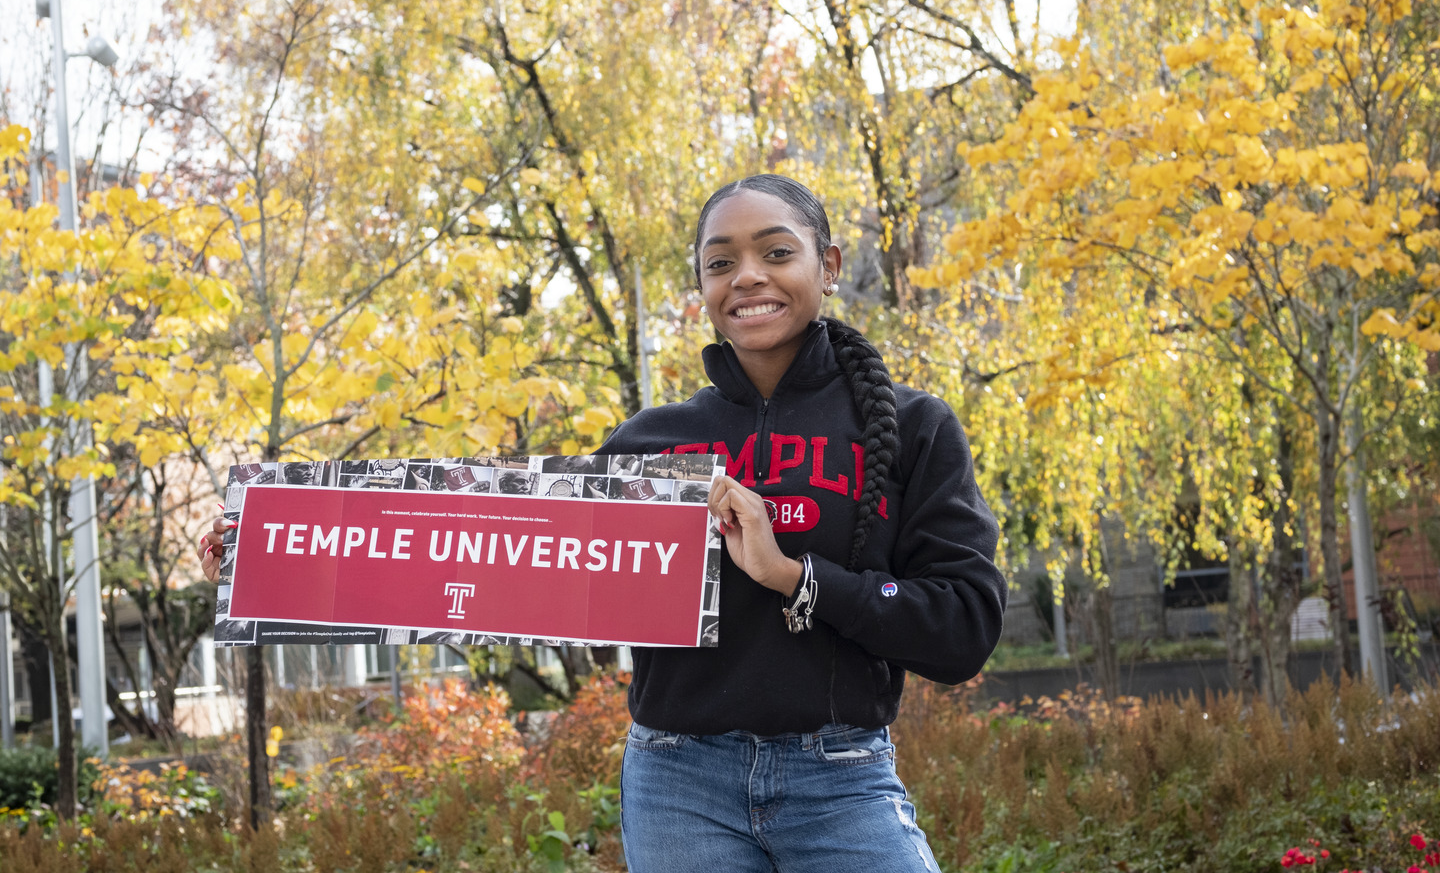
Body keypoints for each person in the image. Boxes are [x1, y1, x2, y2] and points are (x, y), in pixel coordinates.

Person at [196, 173, 1006, 872]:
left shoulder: (910, 427)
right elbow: (483, 560)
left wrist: (793, 576)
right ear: (701, 287)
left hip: (841, 776)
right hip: (678, 783)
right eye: (720, 262)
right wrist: (266, 552)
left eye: (777, 252)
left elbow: (962, 629)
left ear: (827, 265)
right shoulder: (647, 448)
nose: (747, 277)